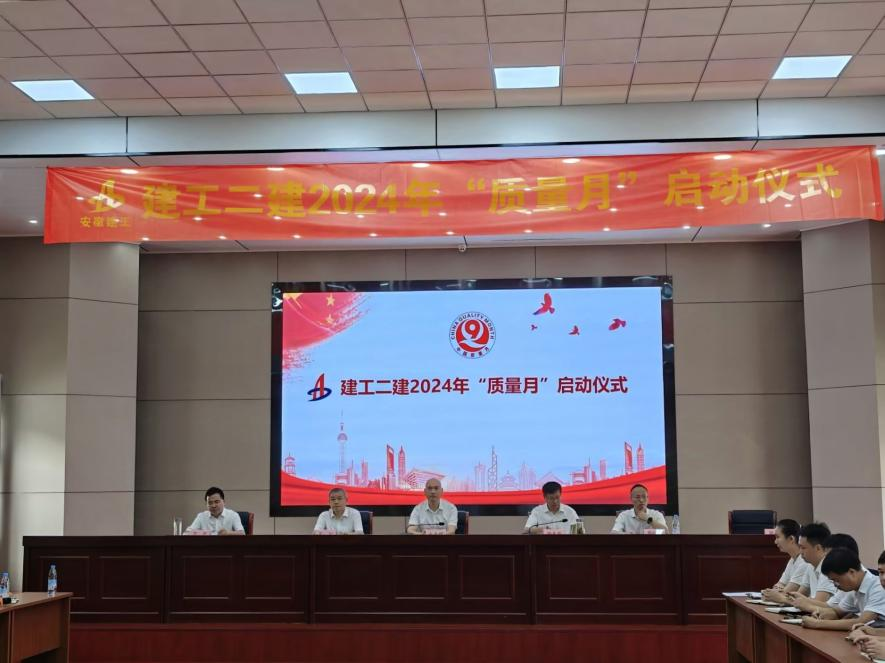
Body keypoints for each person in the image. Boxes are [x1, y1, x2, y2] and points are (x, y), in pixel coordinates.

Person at [800, 547, 885, 631]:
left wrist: (816, 623)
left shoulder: (878, 587)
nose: (835, 585)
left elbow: (862, 622)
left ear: (851, 572)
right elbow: (837, 612)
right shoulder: (855, 589)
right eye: (881, 572)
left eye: (837, 580)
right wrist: (821, 613)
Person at [788, 533, 860, 612]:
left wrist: (807, 606)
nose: (826, 559)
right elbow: (831, 607)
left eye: (830, 556)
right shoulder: (842, 578)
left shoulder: (863, 582)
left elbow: (861, 618)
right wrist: (802, 600)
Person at [760, 519, 809, 603]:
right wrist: (779, 589)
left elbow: (786, 593)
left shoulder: (804, 561)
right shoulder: (792, 559)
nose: (775, 542)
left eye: (778, 537)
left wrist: (779, 591)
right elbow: (779, 585)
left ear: (791, 539)